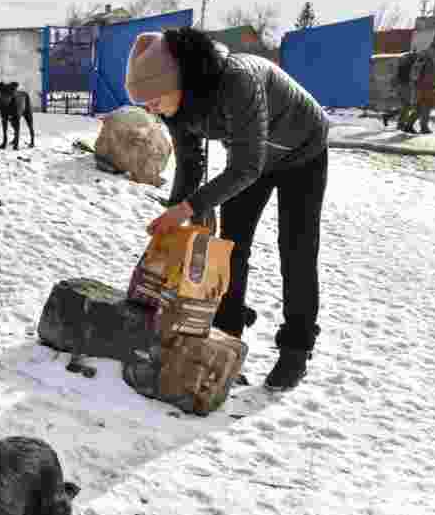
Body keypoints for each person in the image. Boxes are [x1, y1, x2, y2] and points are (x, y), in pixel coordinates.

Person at [124, 26, 329, 391]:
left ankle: (296, 349)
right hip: (253, 157)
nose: (151, 110)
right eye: (145, 104)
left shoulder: (237, 80)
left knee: (296, 250)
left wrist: (190, 206)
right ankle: (226, 333)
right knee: (231, 247)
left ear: (179, 80)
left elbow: (246, 167)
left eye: (153, 100)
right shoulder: (179, 106)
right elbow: (190, 164)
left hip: (302, 151)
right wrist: (179, 216)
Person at [412, 29, 435, 135]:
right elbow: (419, 67)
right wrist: (417, 80)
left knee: (420, 107)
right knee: (426, 105)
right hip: (425, 83)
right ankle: (424, 127)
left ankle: (408, 124)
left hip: (430, 83)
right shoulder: (429, 51)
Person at [381, 48, 418, 133]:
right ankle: (400, 124)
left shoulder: (403, 64)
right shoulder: (409, 66)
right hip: (404, 86)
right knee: (407, 106)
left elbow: (396, 77)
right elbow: (411, 77)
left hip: (401, 86)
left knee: (406, 106)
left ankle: (388, 116)